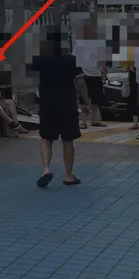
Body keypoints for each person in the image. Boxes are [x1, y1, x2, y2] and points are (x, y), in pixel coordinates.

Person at [32, 29, 82, 188]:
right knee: (68, 139)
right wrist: (86, 102)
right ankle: (68, 175)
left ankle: (46, 169)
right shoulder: (71, 60)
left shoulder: (39, 61)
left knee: (46, 137)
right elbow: (81, 83)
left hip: (47, 104)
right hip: (68, 104)